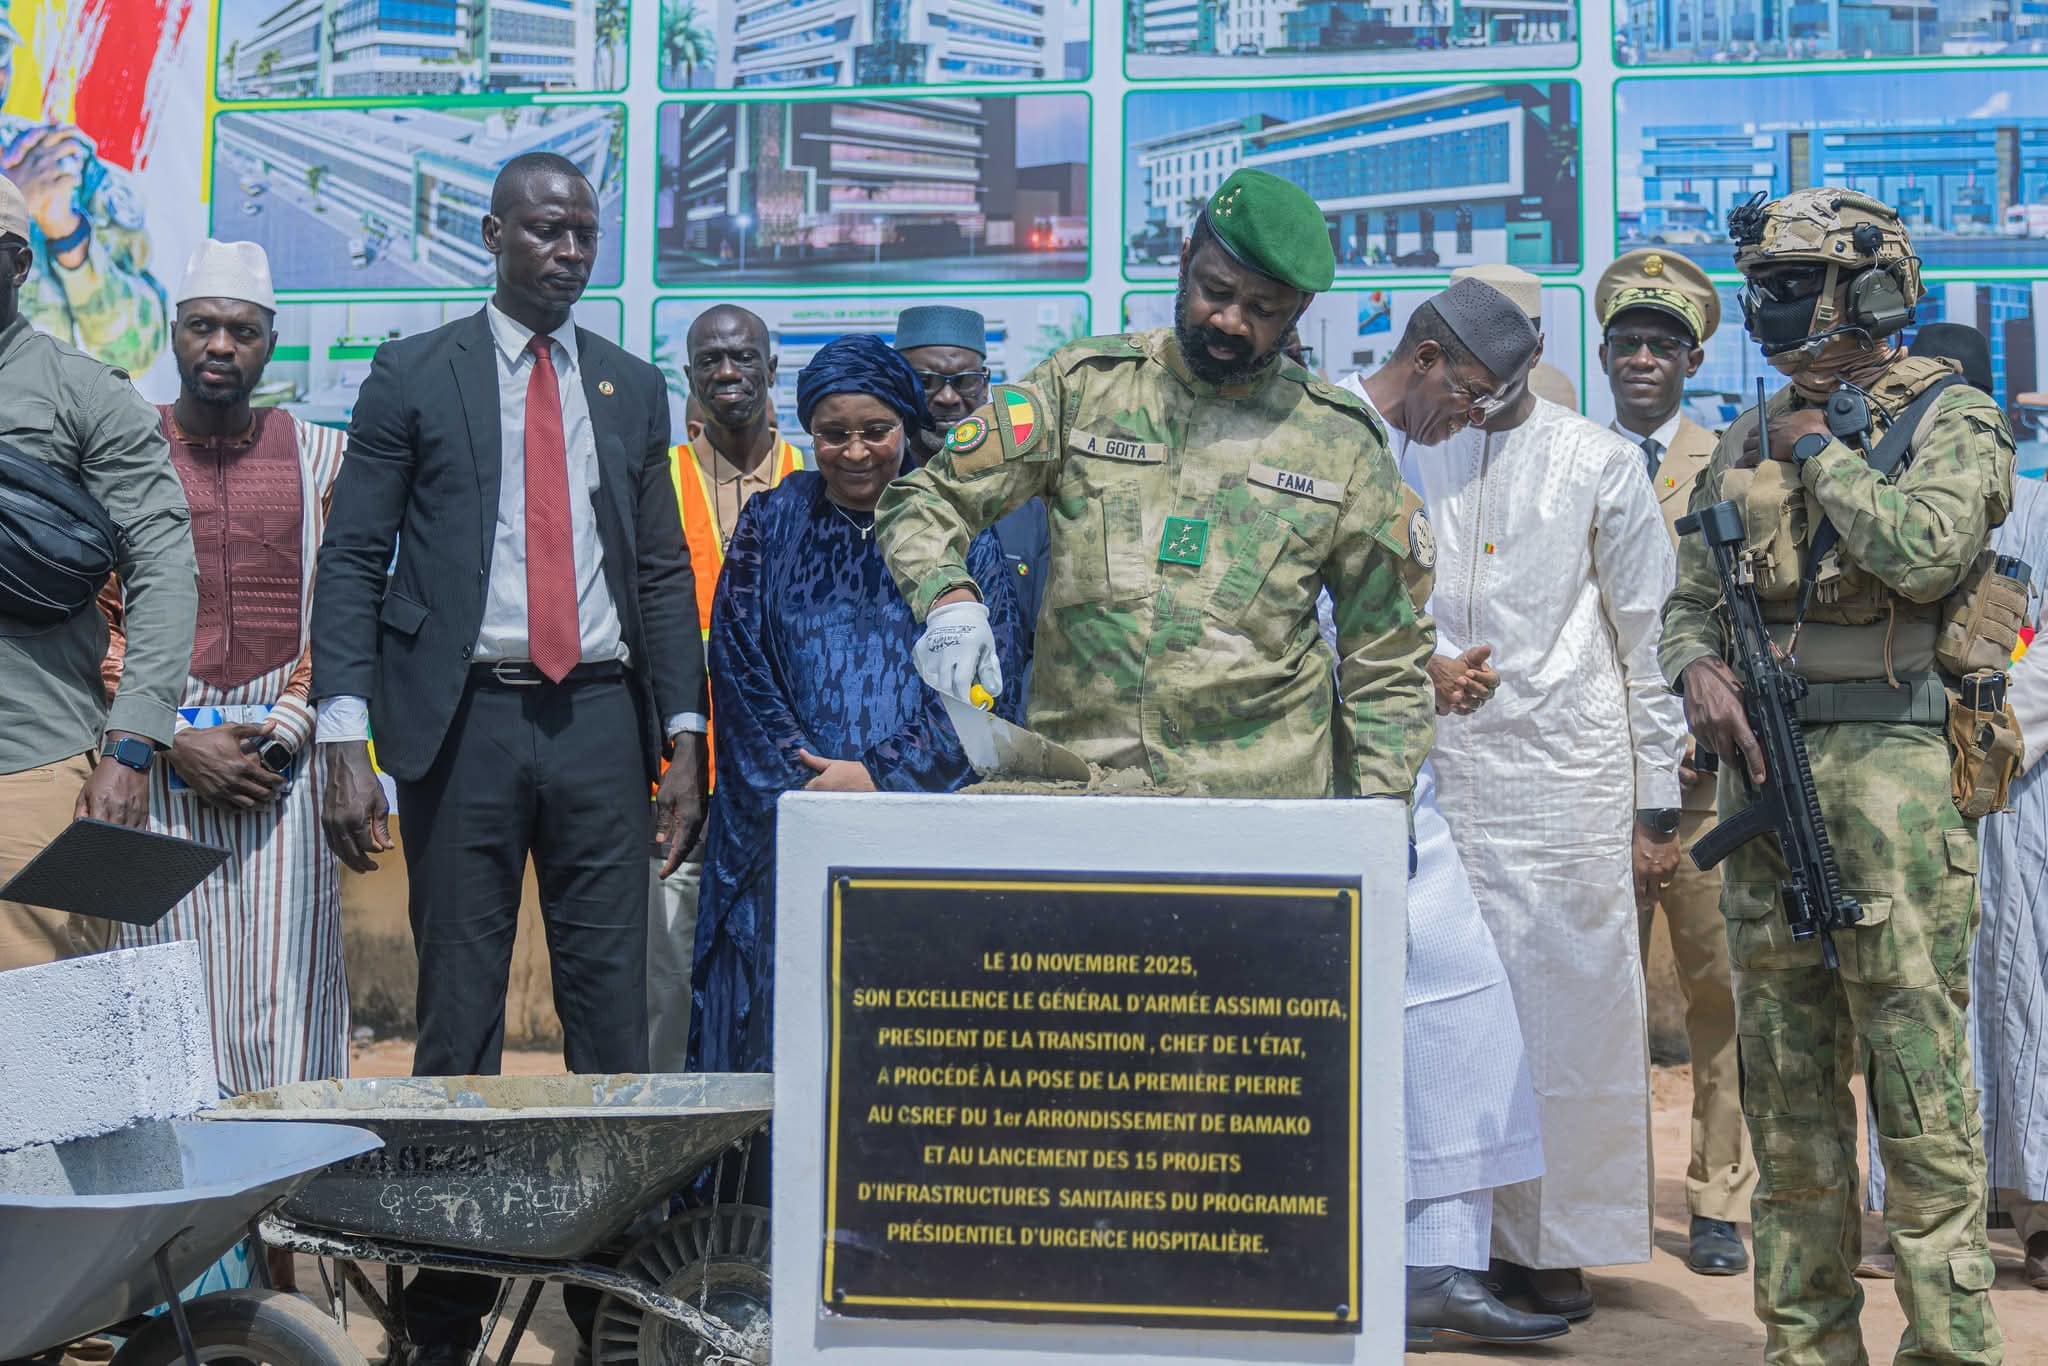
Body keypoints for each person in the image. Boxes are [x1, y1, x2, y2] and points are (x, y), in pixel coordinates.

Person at [310, 151, 707, 1360]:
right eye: (544, 230)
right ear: (491, 235)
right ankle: (443, 1311)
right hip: (462, 725)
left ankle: (610, 1309)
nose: (568, 252)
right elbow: (354, 557)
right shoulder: (412, 372)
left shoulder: (630, 386)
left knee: (611, 1033)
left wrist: (683, 733)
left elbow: (657, 570)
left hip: (598, 723)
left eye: (583, 232)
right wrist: (343, 731)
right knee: (458, 1024)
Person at [1660, 187, 2012, 1363]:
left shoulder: (1952, 418)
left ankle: (1949, 1346)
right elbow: (1687, 600)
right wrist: (1695, 669)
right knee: (1786, 1097)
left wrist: (1820, 452)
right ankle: (1804, 1344)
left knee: (1915, 1085)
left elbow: (1926, 553)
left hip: (1893, 777)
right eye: (1761, 287)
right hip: (1765, 776)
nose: (1767, 309)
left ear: (1863, 290)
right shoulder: (1741, 438)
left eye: (1788, 287)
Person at [878, 168, 1436, 801]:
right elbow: (925, 501)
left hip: (1262, 811)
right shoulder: (1083, 388)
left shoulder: (1339, 441)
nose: (1231, 321)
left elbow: (1387, 657)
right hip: (1085, 794)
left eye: (1263, 310)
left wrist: (1379, 816)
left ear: (1299, 310)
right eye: (1215, 291)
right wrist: (949, 600)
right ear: (1184, 261)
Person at [1400, 266, 1685, 1321]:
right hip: (1429, 769)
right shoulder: (1408, 443)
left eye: (1516, 339)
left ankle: (1551, 1239)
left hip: (1565, 778)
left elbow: (1650, 637)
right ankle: (1445, 1243)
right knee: (1440, 1015)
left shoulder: (1597, 459)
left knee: (1565, 1014)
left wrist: (1656, 802)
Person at [98, 239, 346, 1291]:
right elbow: (94, 616)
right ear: (174, 334)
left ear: (269, 343)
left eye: (241, 330)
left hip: (278, 774)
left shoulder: (324, 456)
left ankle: (284, 1291)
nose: (219, 345)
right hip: (152, 768)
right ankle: (169, 1290)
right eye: (202, 325)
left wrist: (284, 733)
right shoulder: (121, 452)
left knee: (283, 1022)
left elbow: (344, 609)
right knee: (160, 1021)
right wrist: (171, 734)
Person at [690, 333, 1028, 1074]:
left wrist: (880, 774)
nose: (854, 452)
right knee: (789, 1033)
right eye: (832, 434)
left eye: (875, 431)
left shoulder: (959, 532)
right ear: (806, 432)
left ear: (906, 424)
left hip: (924, 832)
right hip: (790, 825)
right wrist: (809, 781)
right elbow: (740, 666)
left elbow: (989, 682)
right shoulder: (771, 522)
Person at [1338, 286, 1565, 1348]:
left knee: (1454, 1009)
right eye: (1469, 396)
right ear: (1424, 358)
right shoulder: (1331, 432)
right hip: (1325, 779)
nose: (1469, 419)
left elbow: (1376, 607)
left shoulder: (1404, 446)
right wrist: (1414, 668)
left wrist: (1426, 664)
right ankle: (1377, 1266)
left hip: (1396, 770)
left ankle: (1433, 1265)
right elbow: (1286, 610)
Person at [1595, 247, 1759, 1278]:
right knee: (1594, 998)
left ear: (1694, 358)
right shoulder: (1575, 456)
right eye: (1627, 342)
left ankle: (1715, 1199)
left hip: (1704, 782)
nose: (1643, 358)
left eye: (1662, 343)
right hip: (1598, 777)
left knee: (1716, 999)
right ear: (1604, 354)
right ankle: (1599, 1199)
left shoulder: (1731, 460)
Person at [0, 172, 195, 972]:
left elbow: (164, 565)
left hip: (29, 768)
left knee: (36, 1026)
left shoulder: (82, 395)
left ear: (19, 264)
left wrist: (133, 745)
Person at [648, 304, 804, 1070]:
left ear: (772, 369)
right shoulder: (656, 479)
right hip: (675, 778)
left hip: (784, 782)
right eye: (711, 360)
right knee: (669, 986)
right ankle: (666, 1147)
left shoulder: (814, 478)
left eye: (744, 357)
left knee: (785, 978)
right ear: (689, 374)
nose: (728, 372)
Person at [0, 3, 166, 375]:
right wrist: (10, 203)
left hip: (52, 410)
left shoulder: (58, 163)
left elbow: (137, 354)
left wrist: (69, 237)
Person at [894, 303, 1048, 703]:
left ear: (985, 385)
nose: (947, 397)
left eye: (964, 381)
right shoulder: (877, 500)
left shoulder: (1029, 507)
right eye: (925, 382)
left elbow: (1045, 643)